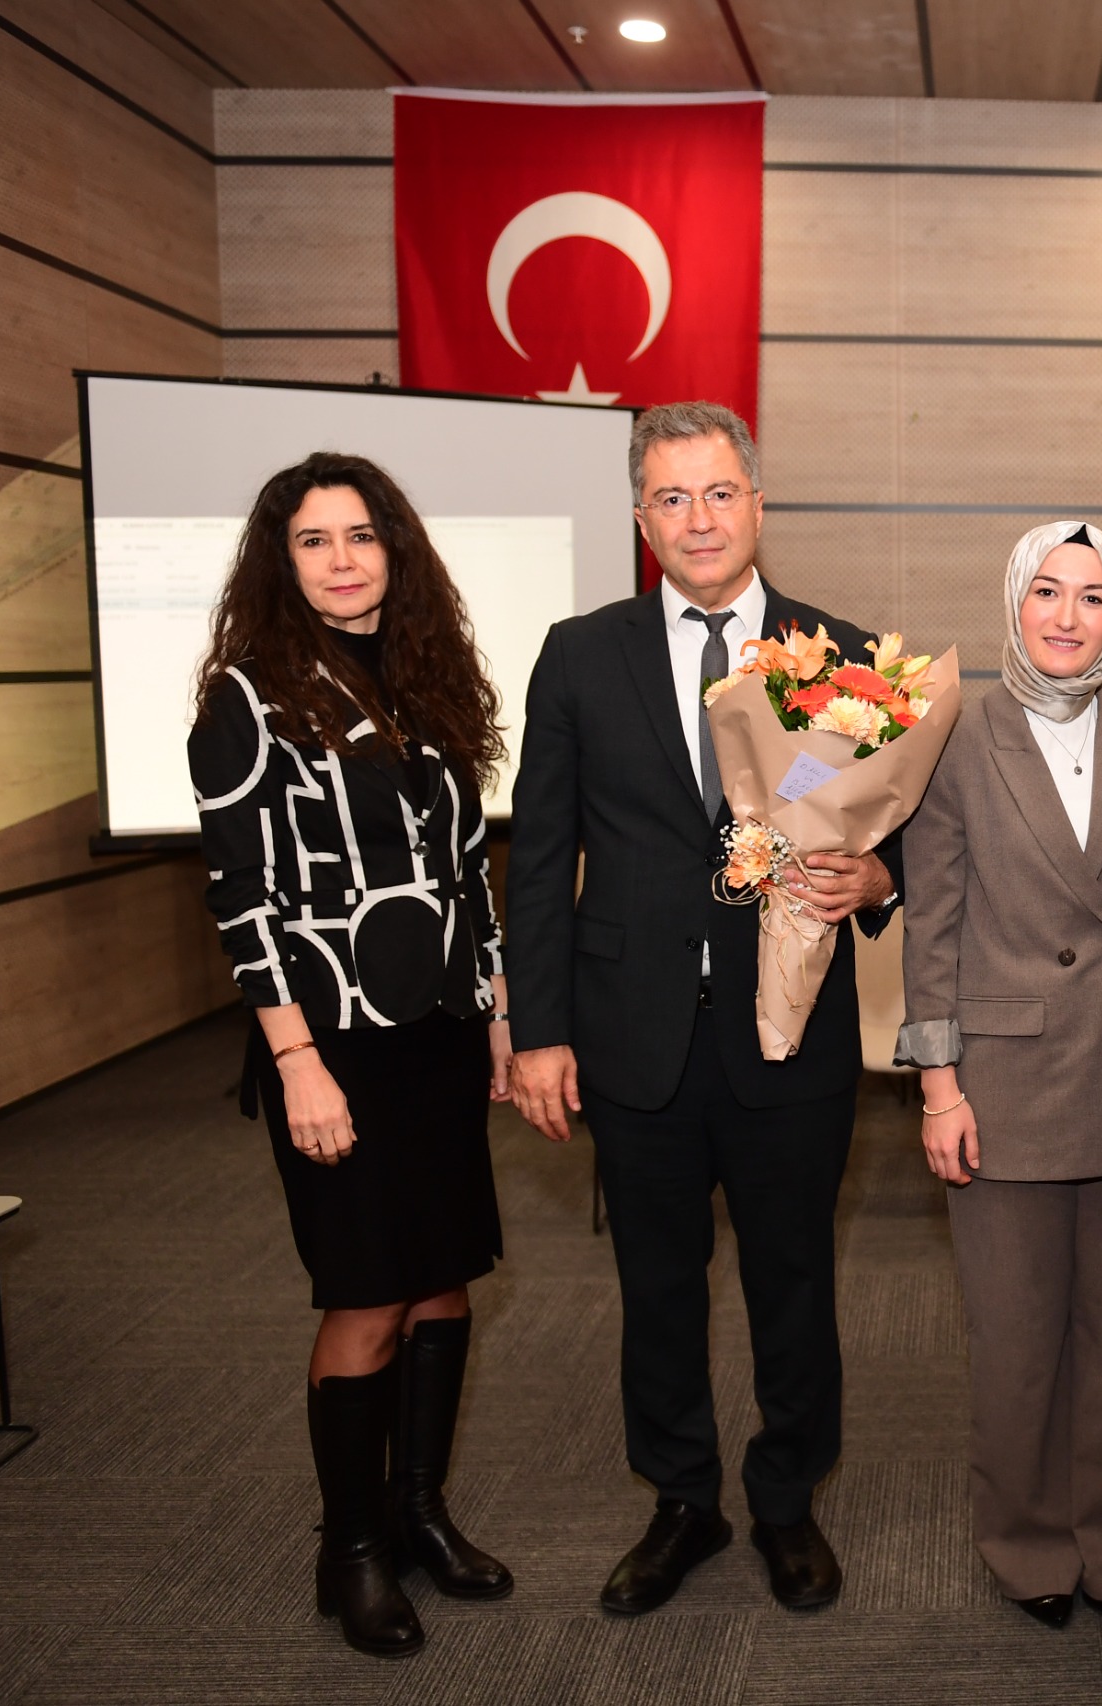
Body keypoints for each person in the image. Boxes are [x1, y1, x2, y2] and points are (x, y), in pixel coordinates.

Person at [504, 401, 903, 1616]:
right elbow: (539, 854)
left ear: (757, 502)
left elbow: (899, 839)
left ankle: (787, 1499)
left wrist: (876, 879)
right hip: (634, 1035)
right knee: (657, 1286)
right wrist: (537, 1029)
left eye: (718, 492)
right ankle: (680, 1498)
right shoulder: (580, 651)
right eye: (670, 498)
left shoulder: (841, 657)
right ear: (640, 517)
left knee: (794, 1279)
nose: (698, 519)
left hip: (788, 1037)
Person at [188, 451, 516, 1658]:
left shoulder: (429, 682)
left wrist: (493, 1005)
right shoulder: (247, 693)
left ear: (396, 548)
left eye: (361, 535)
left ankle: (421, 1509)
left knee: (443, 1280)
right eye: (314, 540)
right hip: (332, 1046)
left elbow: (462, 865)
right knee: (365, 1293)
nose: (341, 558)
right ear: (283, 561)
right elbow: (242, 900)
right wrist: (295, 1061)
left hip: (432, 1033)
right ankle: (353, 1546)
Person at [895, 521, 1102, 1628]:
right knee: (1017, 1348)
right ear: (1014, 601)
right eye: (1048, 592)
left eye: (1094, 597)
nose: (1068, 616)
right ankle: (1026, 1547)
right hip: (1004, 1083)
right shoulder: (954, 736)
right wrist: (938, 1084)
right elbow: (934, 922)